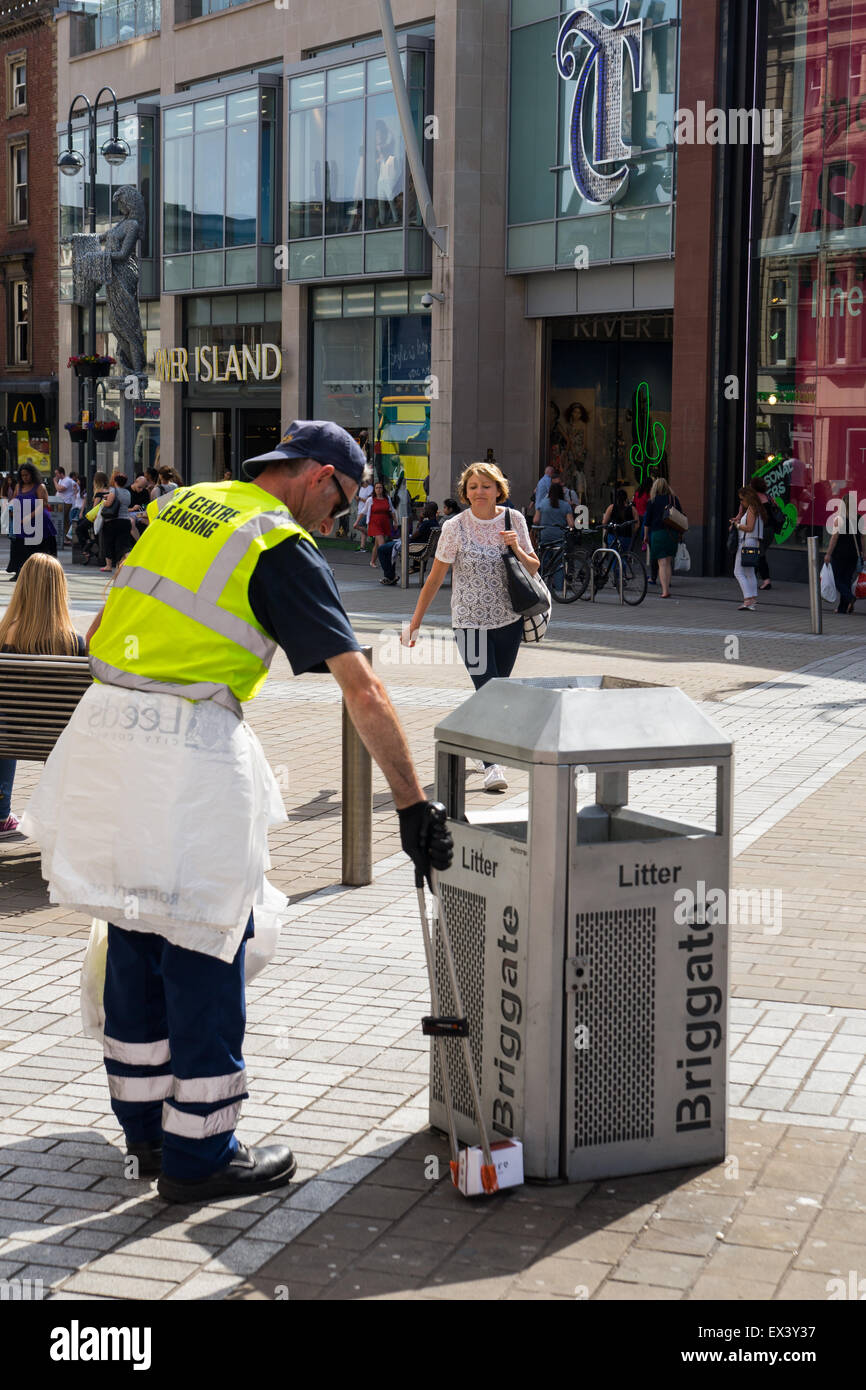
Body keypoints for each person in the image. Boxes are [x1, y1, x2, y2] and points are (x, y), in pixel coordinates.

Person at [20, 419, 452, 1204]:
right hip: (184, 754)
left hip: (104, 736)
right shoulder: (277, 544)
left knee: (134, 926)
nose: (338, 523)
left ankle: (146, 1135)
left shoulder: (185, 505)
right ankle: (200, 1154)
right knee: (205, 937)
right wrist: (413, 805)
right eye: (344, 504)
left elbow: (105, 626)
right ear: (320, 475)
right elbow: (363, 688)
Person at [405, 461, 540, 794]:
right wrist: (415, 623)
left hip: (509, 619)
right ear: (465, 492)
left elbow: (534, 567)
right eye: (473, 487)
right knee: (490, 689)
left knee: (496, 689)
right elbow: (435, 578)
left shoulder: (514, 519)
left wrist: (517, 547)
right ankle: (493, 764)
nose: (479, 492)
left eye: (486, 486)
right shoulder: (455, 527)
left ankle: (475, 738)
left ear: (498, 489)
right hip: (469, 623)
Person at [0, 553, 87, 836]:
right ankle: (58, 819)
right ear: (60, 590)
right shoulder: (74, 642)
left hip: (8, 734)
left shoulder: (3, 637)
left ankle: (2, 816)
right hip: (57, 737)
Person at [5, 464, 57, 580]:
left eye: (27, 475)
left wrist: (29, 517)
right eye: (22, 475)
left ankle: (40, 573)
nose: (25, 477)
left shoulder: (39, 487)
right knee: (20, 547)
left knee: (38, 548)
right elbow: (14, 500)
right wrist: (11, 510)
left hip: (38, 522)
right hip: (22, 522)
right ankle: (20, 572)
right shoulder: (19, 486)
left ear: (32, 474)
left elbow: (43, 504)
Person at [378, 501, 439, 585]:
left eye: (425, 509)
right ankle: (390, 576)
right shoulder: (435, 523)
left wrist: (420, 520)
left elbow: (414, 535)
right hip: (420, 547)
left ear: (430, 511)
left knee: (382, 549)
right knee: (387, 547)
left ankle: (390, 576)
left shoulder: (426, 523)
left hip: (412, 547)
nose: (423, 511)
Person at [825, 494, 863, 615]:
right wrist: (864, 553)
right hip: (853, 554)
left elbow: (834, 538)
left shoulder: (839, 519)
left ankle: (849, 597)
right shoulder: (859, 518)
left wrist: (828, 554)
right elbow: (863, 538)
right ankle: (843, 608)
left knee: (836, 579)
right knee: (846, 580)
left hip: (840, 554)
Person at [644, 476, 682, 599]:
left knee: (662, 563)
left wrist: (645, 536)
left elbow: (647, 522)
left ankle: (665, 590)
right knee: (668, 562)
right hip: (672, 534)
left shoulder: (652, 501)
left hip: (658, 533)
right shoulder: (674, 499)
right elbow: (681, 516)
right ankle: (667, 587)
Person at [730, 485, 765, 611]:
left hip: (746, 542)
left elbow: (749, 527)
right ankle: (752, 599)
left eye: (741, 499)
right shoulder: (758, 509)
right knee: (750, 572)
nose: (741, 502)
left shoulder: (751, 509)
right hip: (754, 542)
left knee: (738, 571)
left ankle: (747, 599)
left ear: (747, 498)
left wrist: (737, 525)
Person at [99, 471, 134, 574]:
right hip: (126, 520)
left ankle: (108, 565)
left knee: (108, 542)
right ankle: (125, 562)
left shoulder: (113, 490)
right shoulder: (127, 492)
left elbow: (109, 503)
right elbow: (126, 504)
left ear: (115, 481)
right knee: (123, 544)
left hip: (113, 521)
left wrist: (103, 501)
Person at [364, 480, 396, 569]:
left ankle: (372, 561)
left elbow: (392, 510)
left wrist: (395, 522)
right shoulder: (371, 499)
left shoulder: (387, 498)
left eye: (380, 487)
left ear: (383, 489)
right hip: (374, 523)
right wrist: (356, 522)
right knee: (382, 544)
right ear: (374, 489)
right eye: (377, 488)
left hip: (384, 522)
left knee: (377, 544)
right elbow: (364, 511)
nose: (379, 489)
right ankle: (385, 563)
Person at [602, 488, 639, 552]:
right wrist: (632, 532)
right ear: (626, 498)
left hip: (613, 535)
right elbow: (637, 525)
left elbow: (604, 522)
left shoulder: (611, 507)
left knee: (613, 556)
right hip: (627, 536)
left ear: (616, 498)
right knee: (624, 555)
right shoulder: (632, 509)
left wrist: (607, 528)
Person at [54, 468, 77, 548]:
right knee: (66, 521)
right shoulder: (61, 480)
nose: (56, 476)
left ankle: (62, 538)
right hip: (61, 502)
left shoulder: (67, 480)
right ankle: (67, 538)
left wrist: (55, 482)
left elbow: (59, 489)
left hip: (65, 503)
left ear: (61, 473)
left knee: (61, 519)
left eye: (57, 473)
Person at [353, 470, 374, 551]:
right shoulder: (361, 488)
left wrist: (360, 498)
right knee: (362, 529)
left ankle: (371, 535)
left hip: (366, 511)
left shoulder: (370, 488)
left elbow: (369, 500)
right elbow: (360, 500)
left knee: (358, 526)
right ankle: (362, 547)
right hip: (360, 510)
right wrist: (356, 498)